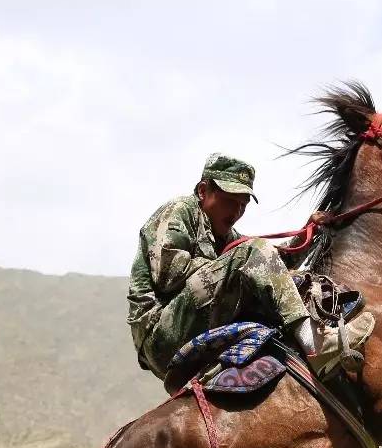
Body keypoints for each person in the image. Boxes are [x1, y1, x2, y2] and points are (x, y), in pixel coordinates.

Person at [127, 153, 315, 381]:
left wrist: (310, 234)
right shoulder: (178, 211)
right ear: (203, 191)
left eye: (243, 205)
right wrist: (235, 265)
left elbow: (269, 267)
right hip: (161, 335)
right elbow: (167, 275)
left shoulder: (227, 236)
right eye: (229, 201)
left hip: (195, 324)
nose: (236, 213)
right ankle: (313, 343)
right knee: (251, 254)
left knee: (280, 274)